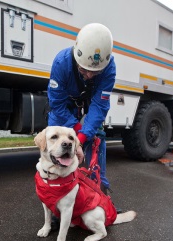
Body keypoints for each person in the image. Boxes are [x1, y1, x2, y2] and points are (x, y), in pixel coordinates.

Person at [47, 23, 116, 195]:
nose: (90, 75)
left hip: (87, 103)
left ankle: (98, 190)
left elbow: (100, 105)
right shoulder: (61, 63)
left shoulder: (109, 67)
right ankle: (56, 193)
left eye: (95, 72)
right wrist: (76, 133)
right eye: (85, 70)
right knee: (55, 141)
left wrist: (84, 136)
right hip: (64, 107)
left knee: (97, 138)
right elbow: (57, 104)